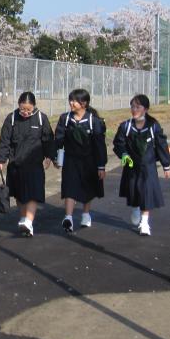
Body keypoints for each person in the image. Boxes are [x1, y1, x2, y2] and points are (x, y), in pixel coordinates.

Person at [0, 92, 55, 237]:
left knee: (33, 194)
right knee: (20, 195)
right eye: (23, 109)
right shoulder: (12, 118)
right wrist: (1, 160)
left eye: (28, 109)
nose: (25, 112)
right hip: (16, 164)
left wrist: (49, 156)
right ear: (18, 105)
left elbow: (48, 139)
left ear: (34, 106)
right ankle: (24, 220)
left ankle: (28, 221)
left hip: (34, 164)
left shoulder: (41, 118)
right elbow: (5, 140)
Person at [112, 94, 170, 236]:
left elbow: (162, 145)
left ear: (146, 109)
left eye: (138, 107)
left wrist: (166, 165)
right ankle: (135, 209)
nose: (134, 109)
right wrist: (124, 154)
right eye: (132, 106)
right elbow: (118, 143)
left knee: (146, 192)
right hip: (131, 167)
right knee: (134, 191)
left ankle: (145, 223)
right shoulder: (126, 126)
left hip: (148, 167)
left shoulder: (153, 126)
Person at [54, 88, 107, 233]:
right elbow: (58, 139)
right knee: (69, 188)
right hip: (71, 160)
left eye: (74, 101)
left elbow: (99, 145)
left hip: (89, 161)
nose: (71, 103)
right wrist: (55, 157)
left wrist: (101, 166)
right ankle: (68, 218)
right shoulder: (65, 119)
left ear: (84, 103)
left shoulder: (93, 121)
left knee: (87, 189)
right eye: (70, 100)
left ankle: (85, 214)